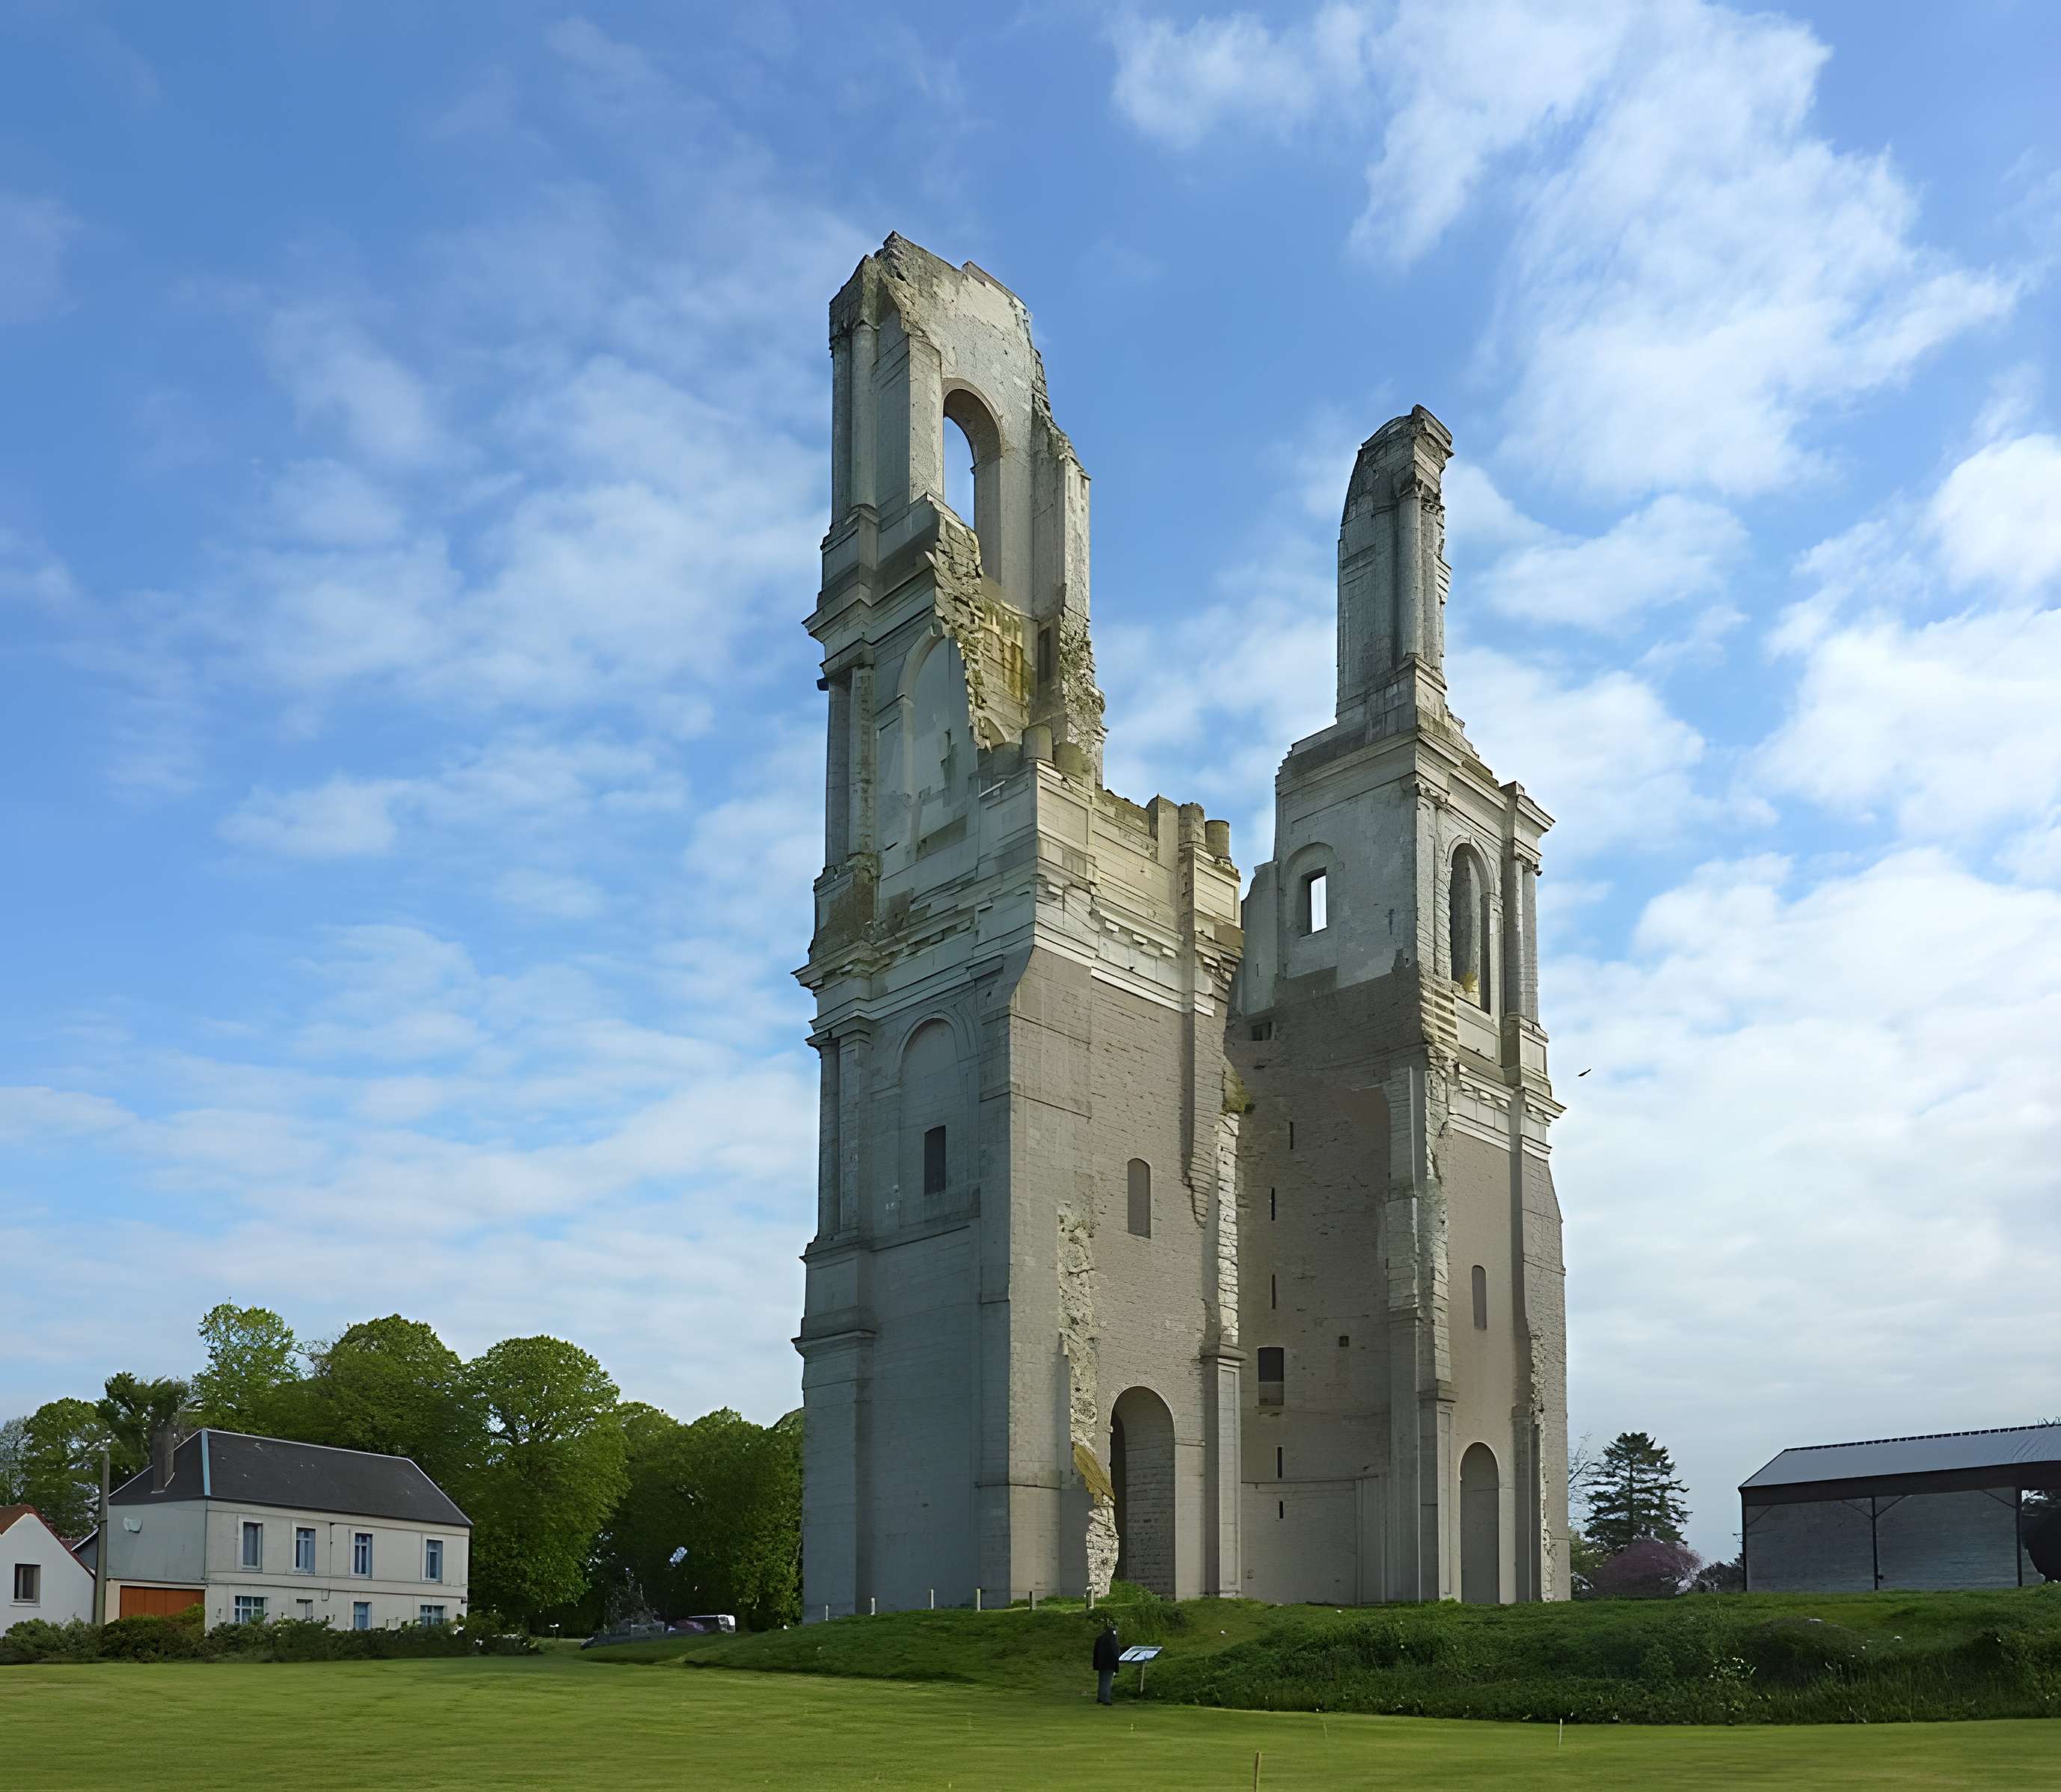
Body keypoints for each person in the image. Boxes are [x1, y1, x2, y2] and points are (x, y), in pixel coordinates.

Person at [1093, 1616, 1121, 1705]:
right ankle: (1106, 1700)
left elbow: (1095, 1651)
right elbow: (1115, 1651)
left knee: (1102, 1681)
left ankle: (1100, 1697)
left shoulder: (1100, 1638)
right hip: (1109, 1663)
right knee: (1107, 1682)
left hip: (1101, 1663)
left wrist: (1096, 1663)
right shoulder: (1112, 1640)